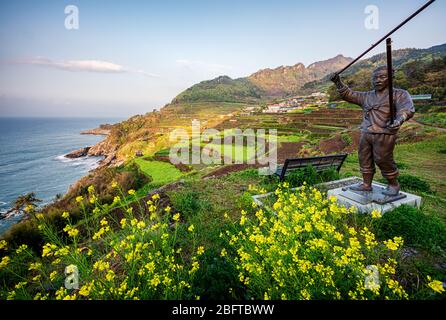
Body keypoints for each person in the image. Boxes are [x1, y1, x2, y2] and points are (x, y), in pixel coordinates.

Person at [330, 66, 415, 196]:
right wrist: (338, 81)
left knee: (383, 159)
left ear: (391, 78)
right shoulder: (367, 96)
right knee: (364, 158)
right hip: (366, 132)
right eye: (375, 78)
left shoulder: (400, 94)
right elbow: (349, 95)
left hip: (384, 133)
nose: (378, 80)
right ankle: (366, 184)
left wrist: (399, 120)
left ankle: (393, 184)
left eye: (382, 77)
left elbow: (406, 110)